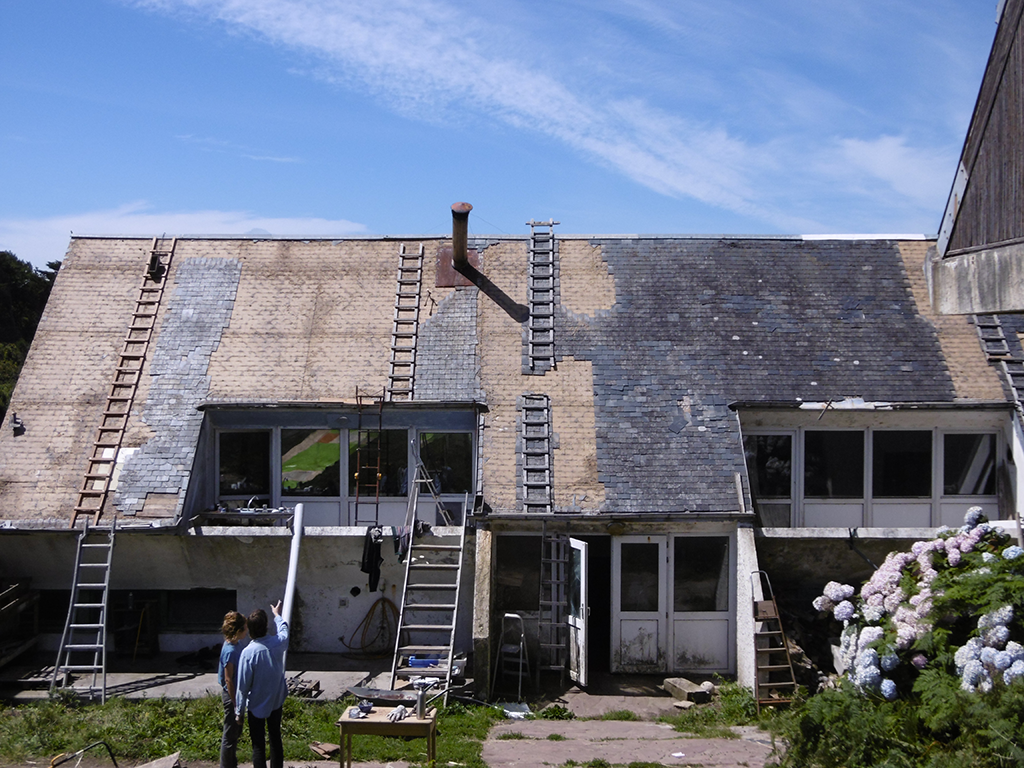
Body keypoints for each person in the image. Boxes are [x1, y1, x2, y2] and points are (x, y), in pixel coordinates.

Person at [235, 601, 289, 768]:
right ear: (266, 626)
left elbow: (243, 687)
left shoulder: (248, 653)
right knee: (275, 738)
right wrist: (277, 615)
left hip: (256, 704)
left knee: (258, 745)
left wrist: (239, 712)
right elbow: (284, 630)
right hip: (276, 701)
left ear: (249, 630)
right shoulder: (278, 643)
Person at [218, 611, 248, 768]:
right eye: (245, 628)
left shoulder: (235, 644)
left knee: (236, 732)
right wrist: (236, 704)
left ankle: (231, 763)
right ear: (238, 631)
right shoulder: (230, 651)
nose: (247, 631)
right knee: (230, 735)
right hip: (232, 697)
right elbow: (228, 679)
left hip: (237, 694)